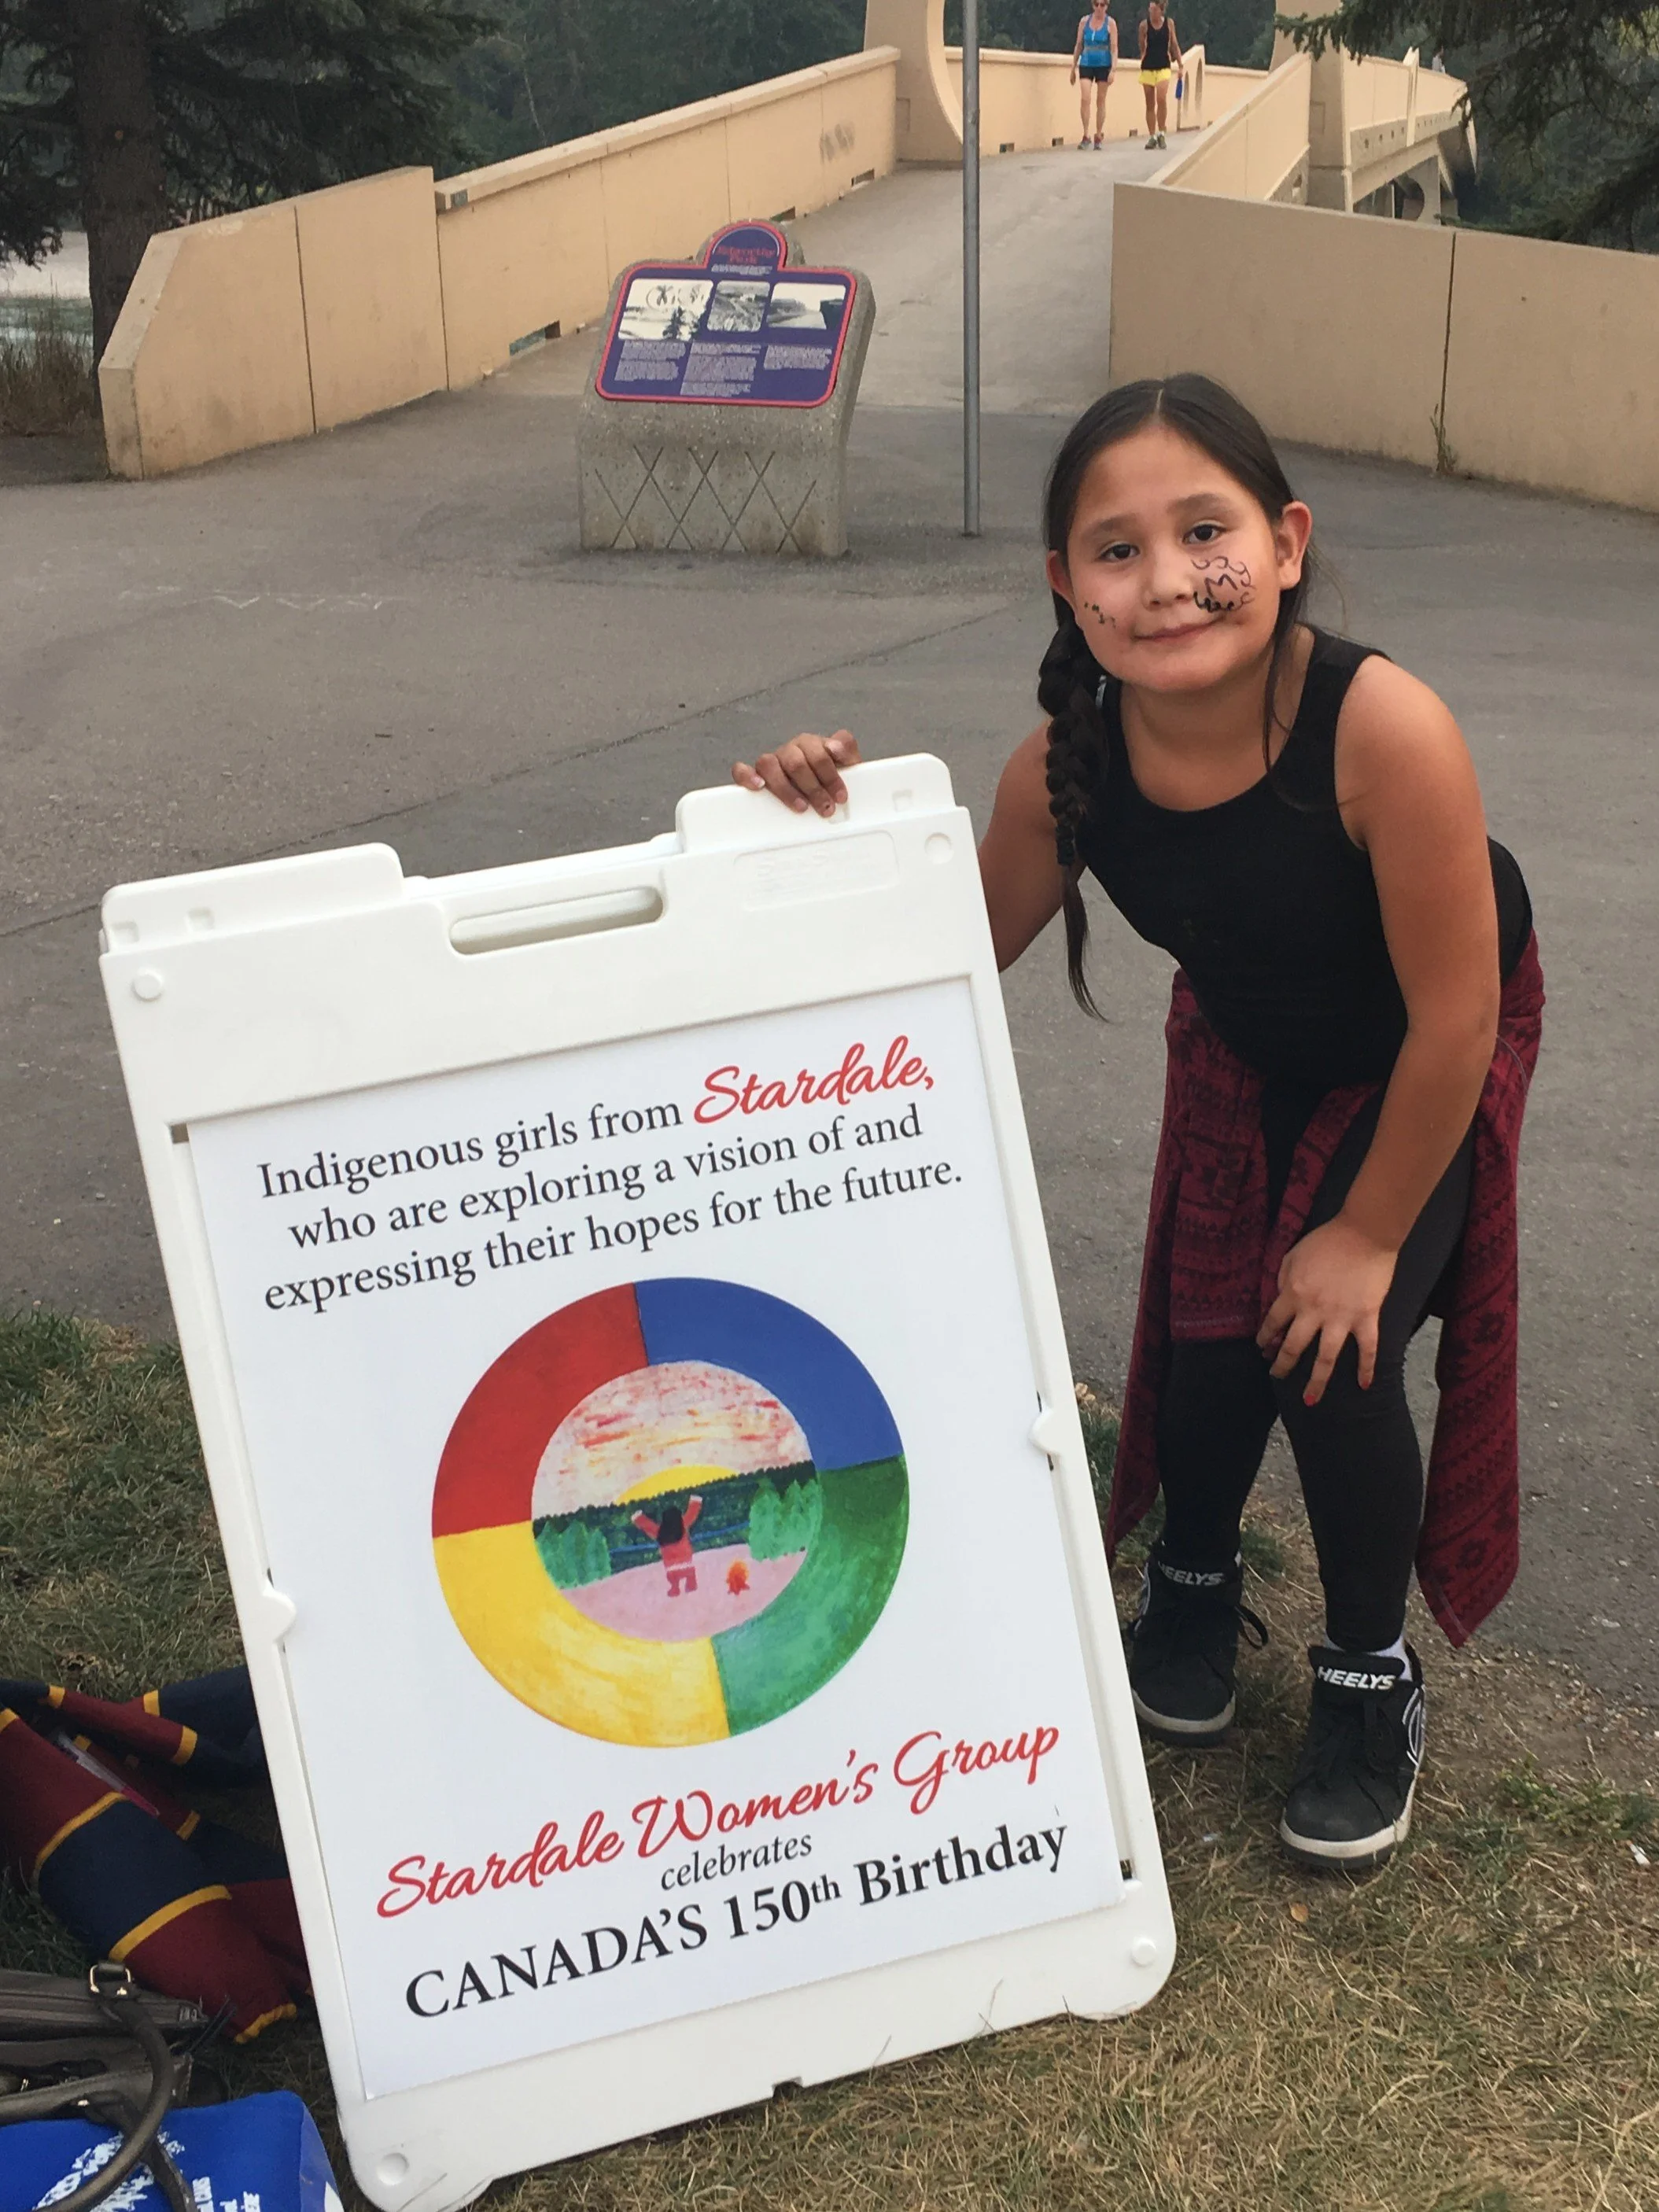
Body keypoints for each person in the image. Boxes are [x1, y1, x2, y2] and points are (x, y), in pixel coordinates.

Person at [732, 374, 1542, 1874]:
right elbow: (939, 966)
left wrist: (1363, 1237)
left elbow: (1455, 1019)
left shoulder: (1384, 731)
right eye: (1114, 550)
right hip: (1245, 1045)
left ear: (1284, 541)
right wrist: (809, 834)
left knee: (1328, 1351)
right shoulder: (1062, 773)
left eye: (1203, 531)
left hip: (1415, 1051)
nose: (1166, 581)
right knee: (1203, 1335)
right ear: (1063, 585)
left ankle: (1369, 1678)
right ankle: (1186, 1575)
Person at [1070, 0, 1118, 150]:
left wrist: (1113, 70)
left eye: (1102, 5)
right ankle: (1085, 134)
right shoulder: (1084, 22)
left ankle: (1098, 134)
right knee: (1085, 98)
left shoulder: (1111, 24)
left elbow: (1114, 48)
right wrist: (1073, 67)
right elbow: (1079, 45)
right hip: (1087, 62)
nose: (1099, 8)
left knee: (1101, 100)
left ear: (1107, 6)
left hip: (1103, 64)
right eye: (1096, 4)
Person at [632, 1495, 703, 1595]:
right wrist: (695, 1502)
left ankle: (675, 1588)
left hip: (671, 1567)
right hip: (686, 1562)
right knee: (690, 1573)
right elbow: (691, 1515)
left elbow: (648, 1526)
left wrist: (638, 1518)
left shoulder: (660, 1531)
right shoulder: (682, 1524)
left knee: (673, 1578)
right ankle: (691, 1584)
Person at [1137, 0, 1180, 149]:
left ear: (1161, 10)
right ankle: (1152, 135)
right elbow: (1142, 45)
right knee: (1150, 103)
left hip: (1164, 65)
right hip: (1148, 66)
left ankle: (1162, 132)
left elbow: (1174, 43)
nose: (1151, 13)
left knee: (1161, 98)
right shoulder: (1144, 26)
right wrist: (1143, 57)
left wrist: (1180, 64)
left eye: (1154, 10)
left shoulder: (1169, 24)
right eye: (1150, 10)